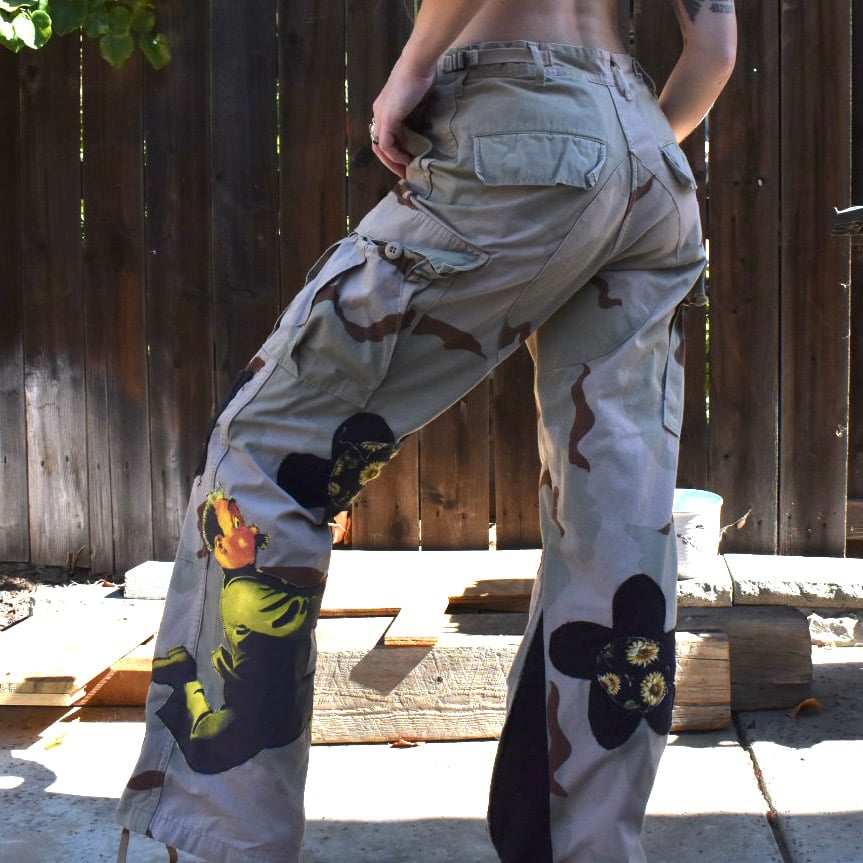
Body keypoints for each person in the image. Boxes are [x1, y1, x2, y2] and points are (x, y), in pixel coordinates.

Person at [116, 1, 737, 860]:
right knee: (617, 516)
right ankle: (586, 846)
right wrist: (620, 147)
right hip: (650, 167)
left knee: (265, 449)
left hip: (519, 126)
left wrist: (411, 69)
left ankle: (228, 837)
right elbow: (713, 49)